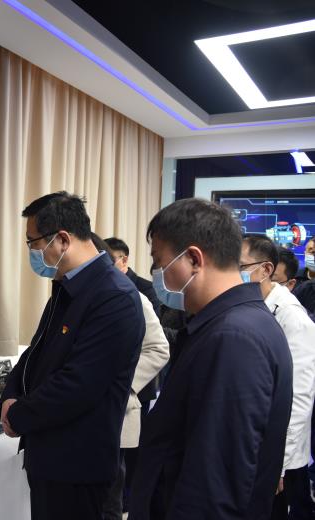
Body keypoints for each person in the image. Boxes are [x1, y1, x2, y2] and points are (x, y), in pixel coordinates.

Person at [129, 198, 293, 520]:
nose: (156, 274)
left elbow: (214, 485)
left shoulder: (234, 338)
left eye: (159, 262)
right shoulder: (233, 324)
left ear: (193, 259)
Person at [0, 192, 145, 520]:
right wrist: (9, 396)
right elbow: (36, 353)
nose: (32, 252)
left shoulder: (114, 297)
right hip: (48, 457)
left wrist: (18, 416)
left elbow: (78, 385)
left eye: (33, 243)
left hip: (78, 467)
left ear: (62, 239)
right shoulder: (68, 287)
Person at [92, 234, 169, 520]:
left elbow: (159, 349)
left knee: (110, 495)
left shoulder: (134, 297)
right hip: (80, 416)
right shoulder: (77, 297)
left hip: (116, 409)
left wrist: (119, 382)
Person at [240, 235, 315, 520]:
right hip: (251, 443)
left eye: (240, 266)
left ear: (265, 269)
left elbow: (299, 396)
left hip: (279, 454)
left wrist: (278, 464)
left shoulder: (292, 317)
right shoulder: (250, 304)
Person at [106, 237, 162, 315]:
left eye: (110, 259)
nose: (105, 264)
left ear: (124, 260)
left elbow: (153, 321)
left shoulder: (147, 288)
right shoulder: (103, 285)